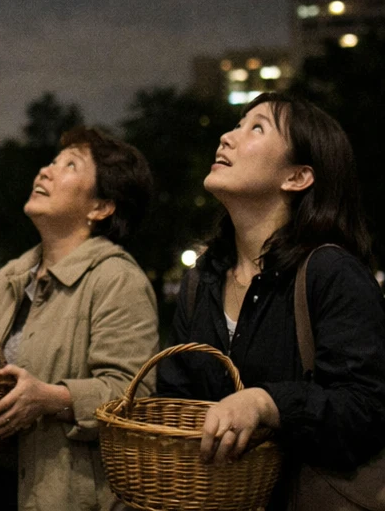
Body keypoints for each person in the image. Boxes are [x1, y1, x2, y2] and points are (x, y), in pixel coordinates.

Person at [157, 93, 385, 510]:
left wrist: (267, 403)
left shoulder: (330, 272)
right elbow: (175, 403)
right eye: (237, 124)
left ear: (297, 177)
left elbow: (366, 410)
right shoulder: (201, 281)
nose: (227, 137)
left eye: (256, 128)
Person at [0, 127, 158, 511]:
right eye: (50, 162)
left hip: (66, 494)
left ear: (100, 207)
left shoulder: (117, 280)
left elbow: (132, 398)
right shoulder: (10, 276)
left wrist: (48, 399)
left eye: (69, 166)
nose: (45, 171)